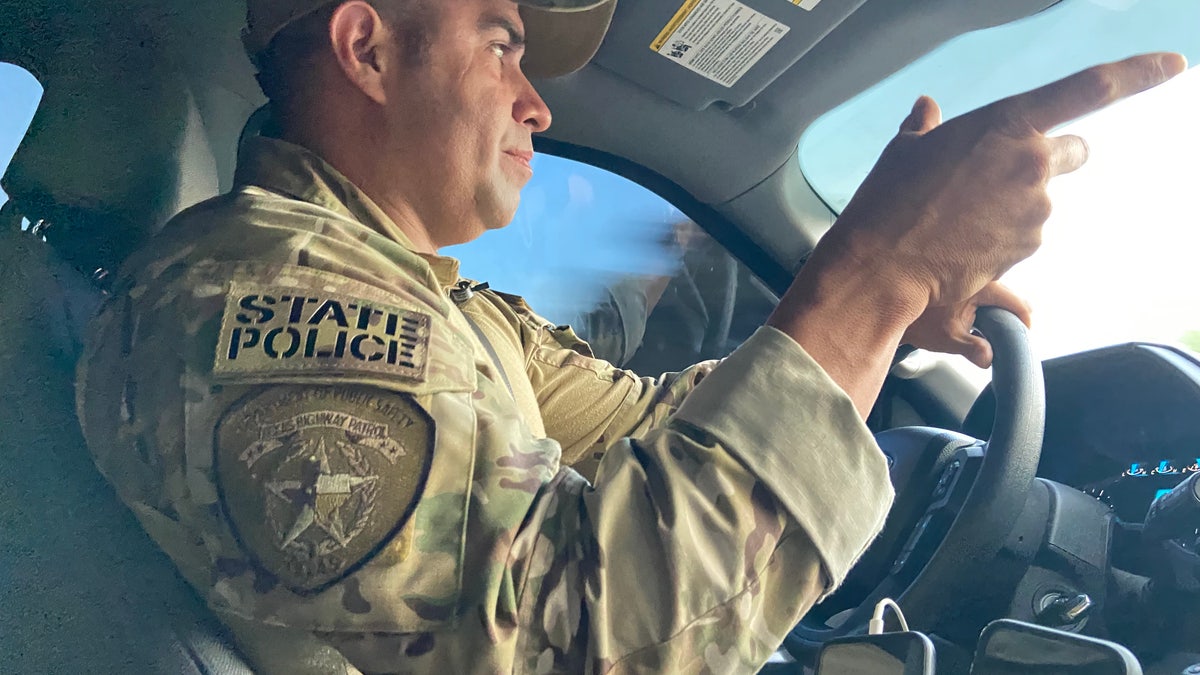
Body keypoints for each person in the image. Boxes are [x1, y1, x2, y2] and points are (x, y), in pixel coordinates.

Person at [74, 0, 1185, 672]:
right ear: (366, 48)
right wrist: (877, 273)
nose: (536, 102)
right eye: (501, 44)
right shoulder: (251, 303)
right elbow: (569, 649)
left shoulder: (428, 305)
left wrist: (875, 327)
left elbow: (661, 422)